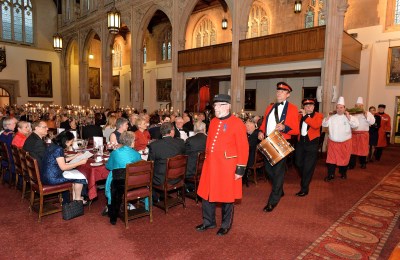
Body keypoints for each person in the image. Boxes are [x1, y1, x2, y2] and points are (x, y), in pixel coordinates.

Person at [196, 94, 248, 236]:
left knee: (227, 196)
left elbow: (243, 147)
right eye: (215, 105)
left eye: (220, 105)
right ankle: (209, 221)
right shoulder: (212, 122)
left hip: (227, 167)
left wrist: (240, 168)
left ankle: (225, 225)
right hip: (211, 165)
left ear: (228, 106)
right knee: (207, 194)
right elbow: (209, 142)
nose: (216, 108)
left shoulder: (237, 123)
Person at [258, 82, 299, 212]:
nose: (279, 93)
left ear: (288, 95)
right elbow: (265, 122)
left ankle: (273, 201)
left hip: (281, 142)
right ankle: (279, 189)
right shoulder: (270, 107)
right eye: (278, 91)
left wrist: (284, 127)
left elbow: (296, 130)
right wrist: (261, 131)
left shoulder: (292, 108)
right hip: (268, 142)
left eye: (282, 92)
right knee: (268, 170)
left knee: (278, 172)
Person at [105, 131, 142, 225]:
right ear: (131, 142)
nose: (135, 142)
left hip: (120, 183)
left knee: (114, 188)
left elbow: (109, 167)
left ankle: (113, 218)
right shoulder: (137, 154)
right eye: (134, 140)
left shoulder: (115, 153)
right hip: (134, 183)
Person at [41, 131, 88, 203]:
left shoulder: (53, 145)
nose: (71, 144)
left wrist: (74, 156)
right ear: (66, 141)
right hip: (53, 178)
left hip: (45, 175)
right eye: (71, 142)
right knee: (81, 177)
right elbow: (63, 167)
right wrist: (80, 162)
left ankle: (75, 197)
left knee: (76, 174)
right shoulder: (58, 149)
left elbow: (59, 160)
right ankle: (78, 199)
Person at [322, 96, 359, 181]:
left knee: (344, 159)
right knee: (331, 160)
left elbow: (355, 125)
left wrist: (349, 118)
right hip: (333, 143)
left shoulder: (350, 117)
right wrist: (327, 117)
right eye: (338, 108)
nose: (339, 109)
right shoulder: (332, 117)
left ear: (344, 108)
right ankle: (331, 175)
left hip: (345, 143)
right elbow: (324, 124)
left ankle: (343, 173)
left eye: (341, 108)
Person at [148, 122, 185, 201]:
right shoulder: (181, 143)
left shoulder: (154, 145)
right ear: (171, 131)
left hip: (161, 179)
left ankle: (155, 197)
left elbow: (150, 164)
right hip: (178, 176)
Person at [294, 98, 323, 197]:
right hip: (300, 142)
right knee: (298, 163)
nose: (308, 107)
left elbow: (315, 125)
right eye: (306, 106)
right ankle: (306, 177)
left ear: (314, 106)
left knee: (308, 167)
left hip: (312, 144)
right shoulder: (299, 116)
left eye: (310, 105)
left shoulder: (319, 115)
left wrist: (305, 116)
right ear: (303, 107)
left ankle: (304, 188)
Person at [348, 97, 375, 169]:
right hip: (353, 134)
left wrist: (365, 115)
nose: (358, 107)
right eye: (357, 105)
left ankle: (363, 163)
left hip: (363, 135)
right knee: (352, 149)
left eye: (360, 105)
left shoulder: (367, 113)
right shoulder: (352, 113)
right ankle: (351, 165)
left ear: (362, 106)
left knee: (363, 149)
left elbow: (372, 122)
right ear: (355, 106)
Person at [185, 121, 207, 191]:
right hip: (205, 168)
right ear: (204, 129)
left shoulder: (190, 140)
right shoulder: (209, 139)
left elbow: (184, 154)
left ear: (194, 130)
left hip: (192, 171)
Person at [243, 119, 260, 187]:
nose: (246, 127)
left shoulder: (255, 134)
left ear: (252, 127)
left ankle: (243, 178)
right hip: (252, 156)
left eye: (247, 126)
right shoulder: (251, 134)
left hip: (250, 159)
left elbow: (248, 146)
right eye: (245, 125)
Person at [0, 117, 17, 183]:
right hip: (11, 158)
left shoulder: (2, 134)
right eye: (13, 124)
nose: (15, 125)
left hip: (5, 157)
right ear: (7, 125)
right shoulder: (11, 135)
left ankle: (7, 177)